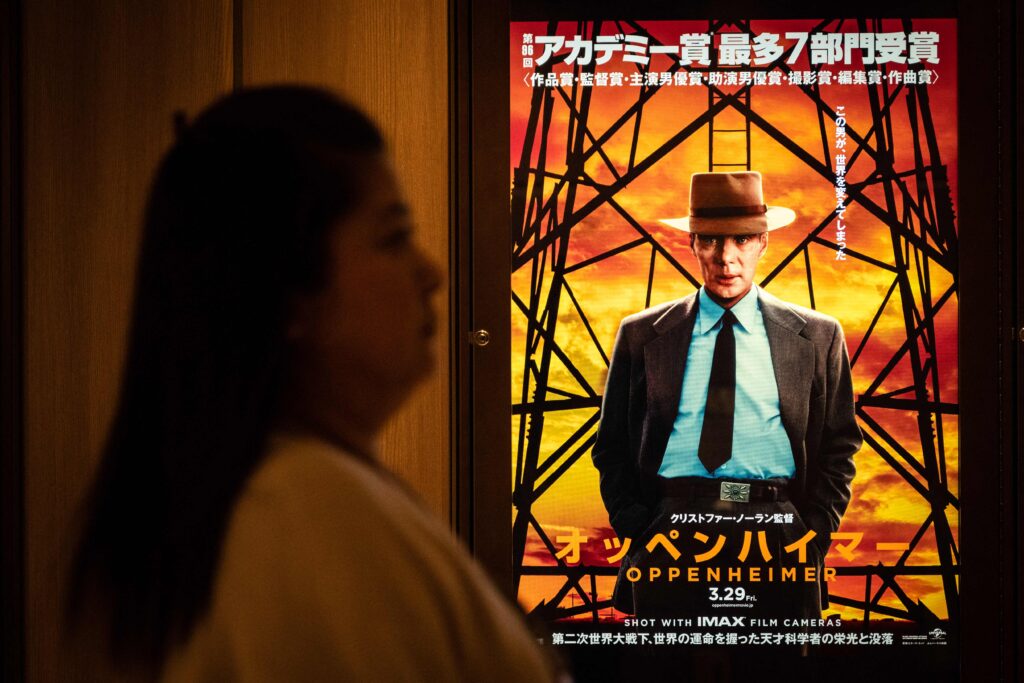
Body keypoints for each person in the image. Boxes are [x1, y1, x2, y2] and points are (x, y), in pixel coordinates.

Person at [66, 86, 564, 682]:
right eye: (392, 238)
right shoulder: (306, 519)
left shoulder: (258, 500)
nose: (431, 273)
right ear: (285, 293)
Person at [591, 171, 861, 620]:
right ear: (693, 244)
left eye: (741, 240)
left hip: (778, 527)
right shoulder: (641, 335)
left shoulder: (817, 336)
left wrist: (814, 530)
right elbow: (611, 444)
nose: (726, 258)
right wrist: (636, 525)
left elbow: (841, 443)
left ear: (763, 243)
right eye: (712, 241)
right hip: (672, 528)